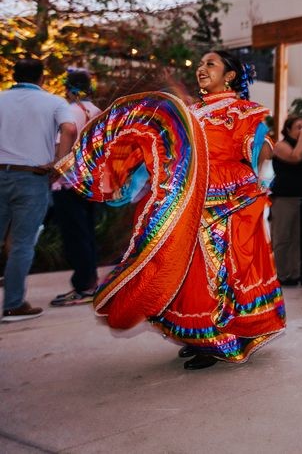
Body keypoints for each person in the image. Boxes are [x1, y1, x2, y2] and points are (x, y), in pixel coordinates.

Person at [56, 51, 286, 369]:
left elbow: (257, 156)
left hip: (227, 202)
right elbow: (164, 150)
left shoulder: (244, 112)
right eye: (201, 64)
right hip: (187, 199)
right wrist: (126, 178)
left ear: (230, 75)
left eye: (211, 64)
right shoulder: (187, 111)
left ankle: (219, 339)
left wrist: (241, 190)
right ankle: (198, 336)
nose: (202, 69)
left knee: (217, 272)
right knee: (184, 270)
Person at [0, 58, 77, 321]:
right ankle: (13, 304)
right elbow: (69, 128)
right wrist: (58, 164)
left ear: (14, 75)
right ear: (42, 78)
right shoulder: (54, 102)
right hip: (31, 177)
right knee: (22, 244)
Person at [50, 68, 103, 307]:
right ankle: (91, 281)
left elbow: (67, 138)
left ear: (68, 88)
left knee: (74, 234)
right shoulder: (97, 111)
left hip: (69, 182)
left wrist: (57, 169)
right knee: (87, 232)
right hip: (91, 181)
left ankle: (84, 286)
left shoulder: (69, 112)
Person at [271, 115, 302, 286]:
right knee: (283, 237)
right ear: (288, 130)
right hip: (285, 198)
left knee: (297, 238)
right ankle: (281, 274)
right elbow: (295, 157)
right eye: (298, 127)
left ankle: (295, 273)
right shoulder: (280, 145)